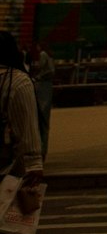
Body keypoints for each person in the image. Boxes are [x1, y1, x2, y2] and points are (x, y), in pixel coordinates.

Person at [0, 32, 46, 224]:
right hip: (7, 164)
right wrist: (34, 163)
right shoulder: (18, 81)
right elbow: (27, 127)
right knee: (11, 223)